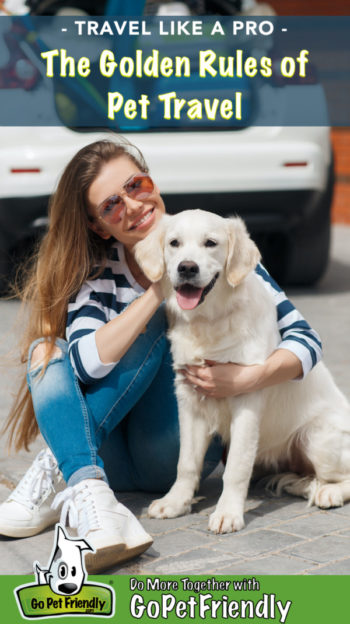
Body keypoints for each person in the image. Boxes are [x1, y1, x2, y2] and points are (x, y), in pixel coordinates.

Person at [0, 139, 322, 571]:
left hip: (169, 449)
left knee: (168, 321)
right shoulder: (98, 275)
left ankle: (62, 465)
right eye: (112, 204)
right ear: (98, 226)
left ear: (152, 181)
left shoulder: (210, 245)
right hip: (108, 455)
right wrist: (157, 290)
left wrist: (250, 378)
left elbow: (306, 339)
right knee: (47, 351)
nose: (132, 204)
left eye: (137, 184)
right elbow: (80, 365)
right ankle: (89, 489)